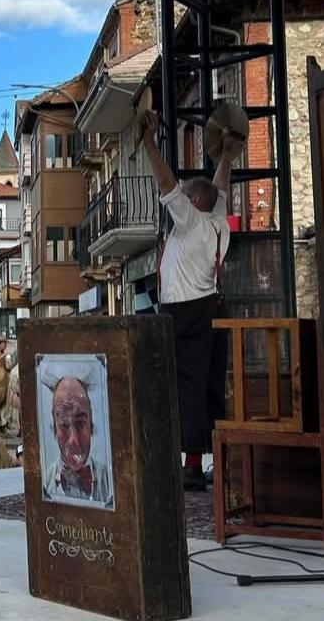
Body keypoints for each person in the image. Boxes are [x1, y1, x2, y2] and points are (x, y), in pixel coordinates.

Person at [142, 109, 237, 492]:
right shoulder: (217, 222)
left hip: (184, 312)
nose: (180, 196)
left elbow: (166, 184)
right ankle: (212, 462)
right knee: (209, 384)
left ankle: (191, 466)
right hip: (212, 307)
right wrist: (226, 157)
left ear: (192, 202)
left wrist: (148, 142)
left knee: (185, 388)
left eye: (186, 194)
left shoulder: (193, 221)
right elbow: (221, 187)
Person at [42, 376, 113, 505]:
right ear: (54, 426)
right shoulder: (43, 484)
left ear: (91, 423)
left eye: (80, 424)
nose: (73, 440)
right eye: (64, 425)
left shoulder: (113, 483)